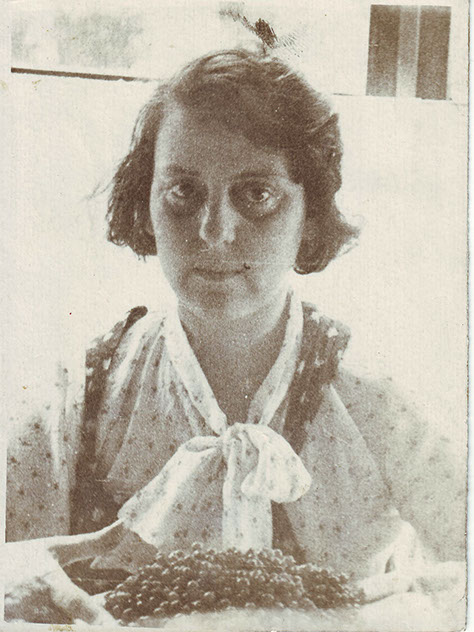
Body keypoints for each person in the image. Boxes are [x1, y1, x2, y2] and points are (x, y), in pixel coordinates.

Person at [4, 49, 465, 625]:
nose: (214, 230)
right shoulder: (76, 404)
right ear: (145, 205)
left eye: (257, 194)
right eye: (183, 192)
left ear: (310, 216)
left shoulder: (373, 405)